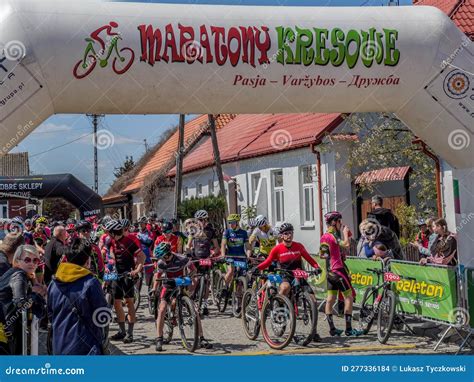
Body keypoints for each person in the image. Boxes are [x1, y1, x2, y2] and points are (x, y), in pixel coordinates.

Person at [256, 222, 321, 340]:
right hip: (285, 275)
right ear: (281, 236)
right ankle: (277, 306)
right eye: (286, 233)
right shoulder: (277, 248)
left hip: (298, 275)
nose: (289, 235)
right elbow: (268, 262)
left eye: (290, 233)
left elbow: (309, 259)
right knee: (285, 288)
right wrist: (257, 268)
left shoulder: (299, 246)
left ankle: (314, 332)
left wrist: (316, 267)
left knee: (313, 300)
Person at [47, 238, 108, 355]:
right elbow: (102, 315)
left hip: (59, 346)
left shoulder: (53, 283)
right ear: (87, 261)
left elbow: (50, 315)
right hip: (87, 348)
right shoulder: (91, 282)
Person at [152, 242, 213, 352]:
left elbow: (193, 269)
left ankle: (202, 338)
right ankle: (159, 338)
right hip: (168, 284)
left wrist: (190, 277)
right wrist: (154, 288)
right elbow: (158, 276)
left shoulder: (182, 258)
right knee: (161, 309)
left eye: (163, 257)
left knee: (195, 310)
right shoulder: (161, 263)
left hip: (181, 281)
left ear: (168, 253)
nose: (162, 259)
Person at [320, 212, 363, 337]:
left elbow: (323, 254)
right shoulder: (332, 236)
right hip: (338, 271)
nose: (341, 224)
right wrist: (345, 234)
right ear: (334, 222)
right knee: (348, 297)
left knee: (330, 299)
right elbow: (347, 244)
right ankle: (349, 329)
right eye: (340, 221)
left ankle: (332, 329)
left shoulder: (324, 236)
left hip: (329, 272)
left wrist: (337, 253)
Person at [0, 245, 47, 354]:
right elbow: (21, 303)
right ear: (17, 261)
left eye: (35, 260)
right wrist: (35, 294)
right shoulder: (19, 275)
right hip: (4, 330)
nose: (32, 263)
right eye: (27, 260)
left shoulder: (16, 272)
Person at [108, 220, 146, 343]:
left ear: (114, 232)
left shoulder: (129, 242)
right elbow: (110, 252)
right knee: (116, 303)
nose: (108, 234)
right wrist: (110, 261)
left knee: (129, 303)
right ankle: (121, 331)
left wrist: (137, 269)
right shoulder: (112, 241)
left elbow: (142, 257)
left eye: (110, 232)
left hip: (128, 275)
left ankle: (130, 333)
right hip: (116, 275)